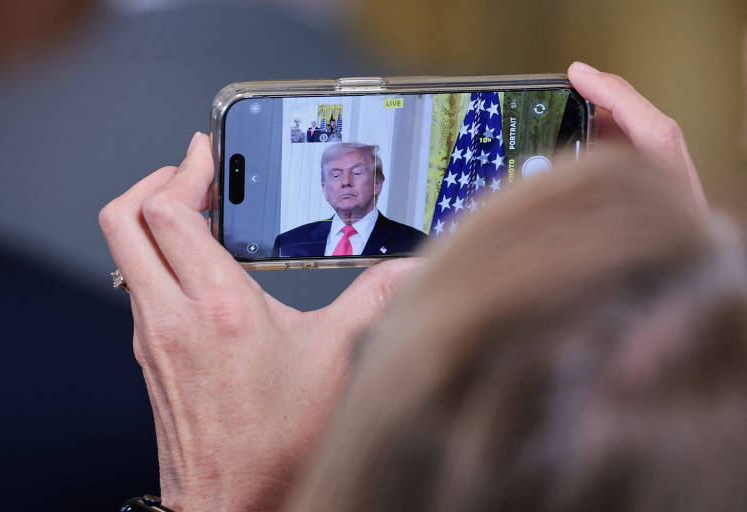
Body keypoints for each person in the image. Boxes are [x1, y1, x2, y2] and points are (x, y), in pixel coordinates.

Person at [99, 62, 722, 511]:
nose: (343, 184)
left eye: (355, 172)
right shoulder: (292, 241)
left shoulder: (417, 234)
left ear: (379, 178)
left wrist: (214, 494)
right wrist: (711, 320)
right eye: (332, 174)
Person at [273, 142, 428, 257]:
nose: (346, 181)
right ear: (324, 189)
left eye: (357, 172)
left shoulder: (415, 245)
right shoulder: (289, 243)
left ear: (377, 184)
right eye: (336, 175)